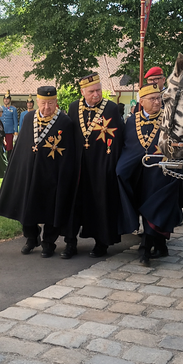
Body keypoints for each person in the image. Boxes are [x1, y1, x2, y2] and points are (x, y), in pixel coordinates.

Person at [0, 86, 78, 257]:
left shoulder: (65, 122)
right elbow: (22, 146)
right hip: (28, 172)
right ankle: (31, 238)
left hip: (51, 175)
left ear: (56, 102)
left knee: (50, 207)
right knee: (26, 206)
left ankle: (49, 242)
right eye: (43, 103)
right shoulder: (29, 118)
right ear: (37, 102)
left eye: (51, 103)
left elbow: (69, 153)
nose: (47, 107)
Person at [117, 78, 182, 265]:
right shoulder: (131, 121)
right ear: (141, 102)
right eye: (152, 99)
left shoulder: (168, 119)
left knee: (154, 207)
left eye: (158, 98)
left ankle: (145, 249)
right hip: (136, 172)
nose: (157, 101)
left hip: (160, 173)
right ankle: (160, 245)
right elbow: (128, 146)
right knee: (139, 201)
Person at [64, 72, 126, 259]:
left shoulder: (111, 109)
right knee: (74, 204)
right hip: (78, 166)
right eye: (91, 91)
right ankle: (70, 243)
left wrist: (111, 165)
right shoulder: (74, 107)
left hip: (101, 165)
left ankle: (101, 243)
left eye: (98, 90)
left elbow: (118, 139)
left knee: (101, 203)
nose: (96, 94)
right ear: (82, 92)